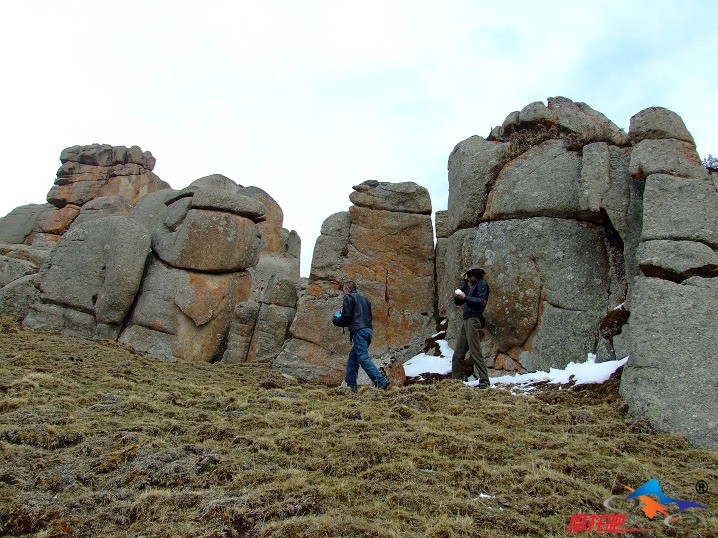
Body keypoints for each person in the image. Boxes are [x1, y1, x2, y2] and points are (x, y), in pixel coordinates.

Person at [332, 280, 390, 392]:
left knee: (362, 357)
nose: (343, 292)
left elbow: (347, 317)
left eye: (344, 289)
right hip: (368, 331)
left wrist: (336, 320)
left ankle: (380, 381)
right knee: (353, 359)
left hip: (358, 331)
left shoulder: (348, 298)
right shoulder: (365, 300)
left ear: (347, 289)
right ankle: (350, 386)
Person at [452, 265, 491, 388]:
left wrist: (465, 297)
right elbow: (458, 301)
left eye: (474, 274)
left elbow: (481, 301)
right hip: (467, 320)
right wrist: (463, 284)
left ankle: (484, 381)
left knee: (475, 352)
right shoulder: (472, 287)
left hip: (474, 319)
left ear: (479, 275)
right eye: (469, 275)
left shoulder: (482, 284)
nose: (471, 277)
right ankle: (456, 383)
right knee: (457, 355)